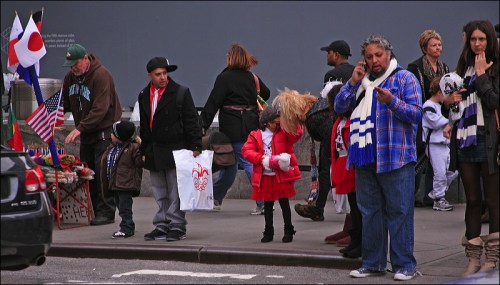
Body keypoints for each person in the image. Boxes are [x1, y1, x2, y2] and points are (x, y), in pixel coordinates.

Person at [334, 34, 422, 281]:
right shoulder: (361, 82)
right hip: (366, 158)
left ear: (389, 54)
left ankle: (405, 265)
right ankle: (373, 263)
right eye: (369, 56)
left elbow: (417, 115)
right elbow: (340, 106)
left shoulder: (405, 78)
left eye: (378, 55)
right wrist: (352, 82)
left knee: (399, 212)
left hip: (396, 158)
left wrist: (392, 101)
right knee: (370, 212)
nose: (374, 61)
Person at [443, 20, 499, 276]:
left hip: (489, 141)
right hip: (465, 141)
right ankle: (473, 257)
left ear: (490, 40)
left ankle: (493, 257)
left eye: (482, 39)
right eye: (473, 39)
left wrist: (482, 76)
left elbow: (494, 101)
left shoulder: (495, 67)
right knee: (473, 200)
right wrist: (449, 102)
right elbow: (456, 106)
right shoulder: (461, 67)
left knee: (494, 201)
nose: (477, 44)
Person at [295, 40, 355, 246]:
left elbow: (328, 104)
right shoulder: (355, 72)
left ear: (336, 54)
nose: (326, 56)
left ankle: (318, 207)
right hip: (353, 125)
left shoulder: (332, 76)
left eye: (328, 52)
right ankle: (349, 222)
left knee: (325, 166)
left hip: (335, 126)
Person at [200, 43, 270, 214]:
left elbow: (213, 103)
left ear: (231, 58)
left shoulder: (224, 78)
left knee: (245, 162)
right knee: (229, 165)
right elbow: (266, 93)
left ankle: (264, 202)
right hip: (252, 126)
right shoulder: (252, 78)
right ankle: (215, 198)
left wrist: (201, 125)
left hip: (231, 129)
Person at [138, 57, 202, 242]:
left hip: (176, 148)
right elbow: (144, 125)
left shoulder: (180, 92)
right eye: (158, 74)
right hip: (154, 148)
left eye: (165, 73)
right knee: (159, 190)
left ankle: (176, 224)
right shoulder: (144, 94)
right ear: (149, 75)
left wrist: (195, 145)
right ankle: (162, 224)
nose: (163, 77)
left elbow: (191, 120)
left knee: (176, 190)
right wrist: (143, 149)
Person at [62, 44, 122, 226]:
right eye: (70, 64)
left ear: (86, 59)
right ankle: (95, 209)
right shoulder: (70, 78)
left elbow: (100, 108)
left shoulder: (101, 75)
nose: (73, 68)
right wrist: (52, 117)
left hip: (103, 131)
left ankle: (107, 212)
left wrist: (79, 128)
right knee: (88, 172)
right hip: (86, 132)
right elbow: (64, 103)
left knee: (103, 171)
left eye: (76, 63)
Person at [242, 105, 303, 243]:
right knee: (268, 205)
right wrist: (261, 159)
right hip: (265, 175)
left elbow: (297, 133)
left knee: (284, 203)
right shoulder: (256, 135)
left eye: (279, 122)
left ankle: (289, 229)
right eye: (274, 123)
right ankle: (268, 230)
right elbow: (247, 151)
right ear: (266, 122)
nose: (277, 125)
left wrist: (290, 120)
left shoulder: (284, 132)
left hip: (281, 175)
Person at [407, 30, 451, 208]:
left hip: (441, 115)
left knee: (438, 160)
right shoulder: (415, 67)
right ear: (425, 48)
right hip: (422, 115)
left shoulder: (444, 68)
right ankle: (410, 196)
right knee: (419, 156)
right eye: (433, 45)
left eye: (439, 44)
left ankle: (430, 196)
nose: (438, 48)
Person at [328, 84, 362, 258]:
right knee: (352, 206)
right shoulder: (340, 122)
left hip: (351, 166)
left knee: (356, 208)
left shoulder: (352, 121)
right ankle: (354, 240)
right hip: (342, 165)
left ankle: (358, 242)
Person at [100, 121, 143, 238]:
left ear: (119, 135)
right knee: (120, 206)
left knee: (125, 208)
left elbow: (139, 162)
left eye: (112, 133)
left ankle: (127, 228)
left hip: (125, 184)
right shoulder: (113, 147)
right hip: (115, 183)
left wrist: (143, 152)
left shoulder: (132, 148)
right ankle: (127, 225)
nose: (110, 135)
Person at [422, 76, 459, 211]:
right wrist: (451, 122)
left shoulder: (437, 106)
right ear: (439, 92)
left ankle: (436, 192)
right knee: (440, 173)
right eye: (446, 93)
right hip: (434, 145)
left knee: (453, 171)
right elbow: (436, 122)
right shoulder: (428, 106)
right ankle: (438, 198)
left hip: (444, 144)